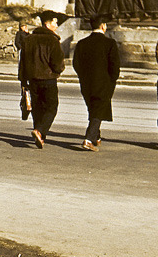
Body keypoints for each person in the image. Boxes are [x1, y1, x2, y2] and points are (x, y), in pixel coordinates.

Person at [72, 15, 120, 152]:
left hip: (86, 83)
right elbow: (115, 66)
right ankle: (88, 139)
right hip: (104, 82)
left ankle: (96, 137)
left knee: (93, 108)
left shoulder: (82, 43)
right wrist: (112, 80)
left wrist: (83, 76)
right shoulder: (109, 43)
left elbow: (76, 64)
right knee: (98, 110)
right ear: (103, 26)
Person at [18, 10, 65, 149]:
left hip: (32, 80)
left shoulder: (28, 39)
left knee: (37, 108)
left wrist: (22, 80)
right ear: (47, 23)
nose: (56, 26)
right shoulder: (52, 40)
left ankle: (40, 137)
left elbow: (23, 62)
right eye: (55, 22)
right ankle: (40, 131)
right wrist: (58, 71)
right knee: (51, 107)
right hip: (48, 79)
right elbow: (57, 62)